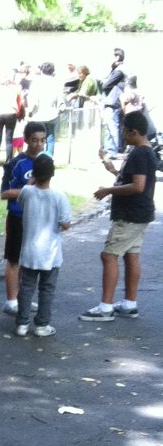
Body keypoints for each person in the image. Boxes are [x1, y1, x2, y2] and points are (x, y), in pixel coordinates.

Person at [80, 109, 156, 320]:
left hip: (130, 215)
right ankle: (129, 303)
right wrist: (113, 170)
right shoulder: (146, 151)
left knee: (109, 255)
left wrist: (108, 190)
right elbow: (133, 179)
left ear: (134, 132)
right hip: (140, 213)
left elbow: (138, 186)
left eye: (124, 130)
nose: (122, 134)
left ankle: (105, 307)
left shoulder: (139, 153)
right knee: (131, 254)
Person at [15, 153, 71, 338]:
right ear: (52, 174)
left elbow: (21, 201)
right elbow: (65, 224)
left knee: (26, 287)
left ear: (34, 173)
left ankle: (22, 323)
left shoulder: (26, 192)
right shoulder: (59, 196)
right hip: (51, 253)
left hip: (29, 250)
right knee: (47, 289)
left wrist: (31, 181)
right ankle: (42, 324)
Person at [0, 121, 48, 315]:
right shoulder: (15, 164)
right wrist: (28, 188)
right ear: (26, 140)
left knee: (29, 260)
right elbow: (4, 193)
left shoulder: (45, 161)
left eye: (42, 140)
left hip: (38, 218)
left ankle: (23, 298)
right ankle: (11, 301)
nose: (38, 144)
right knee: (14, 259)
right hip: (18, 216)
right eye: (34, 140)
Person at [0, 68, 22, 167]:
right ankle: (8, 161)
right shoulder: (16, 88)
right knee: (9, 139)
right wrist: (18, 112)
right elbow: (19, 102)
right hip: (11, 113)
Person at [100, 48, 126, 158]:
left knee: (112, 127)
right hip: (111, 102)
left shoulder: (119, 71)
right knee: (108, 127)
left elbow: (105, 85)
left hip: (113, 102)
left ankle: (112, 151)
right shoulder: (115, 70)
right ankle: (109, 150)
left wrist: (103, 81)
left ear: (117, 57)